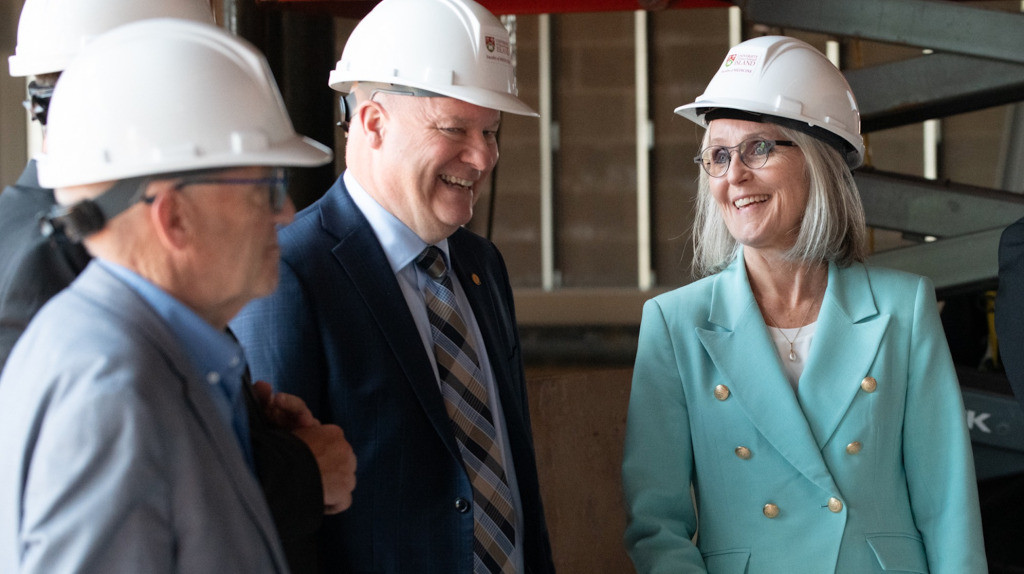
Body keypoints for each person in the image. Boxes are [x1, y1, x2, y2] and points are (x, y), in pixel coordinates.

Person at [0, 1, 356, 572]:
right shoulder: (109, 389)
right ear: (173, 219)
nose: (287, 213)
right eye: (264, 188)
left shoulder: (138, 353)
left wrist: (246, 437)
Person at [621, 35, 987, 573]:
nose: (734, 176)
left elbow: (947, 506)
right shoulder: (675, 324)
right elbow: (657, 524)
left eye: (759, 148)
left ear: (818, 159)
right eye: (718, 155)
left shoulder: (902, 308)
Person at [230, 0, 555, 572]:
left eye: (491, 131)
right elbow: (279, 519)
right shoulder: (288, 273)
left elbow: (511, 476)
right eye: (455, 129)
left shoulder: (481, 264)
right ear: (373, 123)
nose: (483, 156)